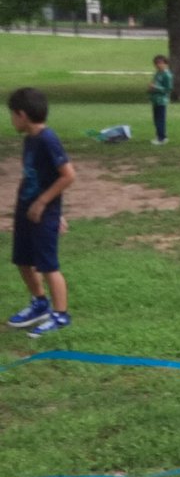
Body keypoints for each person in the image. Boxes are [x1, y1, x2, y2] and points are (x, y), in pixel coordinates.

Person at [6, 87, 76, 338]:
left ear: (22, 115)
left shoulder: (48, 139)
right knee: (23, 261)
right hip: (26, 210)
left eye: (12, 115)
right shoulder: (30, 140)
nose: (11, 120)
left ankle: (60, 314)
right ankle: (39, 303)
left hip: (42, 212)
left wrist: (46, 205)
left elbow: (68, 175)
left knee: (48, 265)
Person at [147, 55, 173, 145]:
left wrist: (155, 87)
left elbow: (167, 89)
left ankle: (162, 138)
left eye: (160, 63)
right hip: (155, 100)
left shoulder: (167, 75)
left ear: (165, 64)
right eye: (156, 63)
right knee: (156, 119)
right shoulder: (158, 73)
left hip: (162, 100)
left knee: (160, 120)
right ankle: (159, 136)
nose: (158, 65)